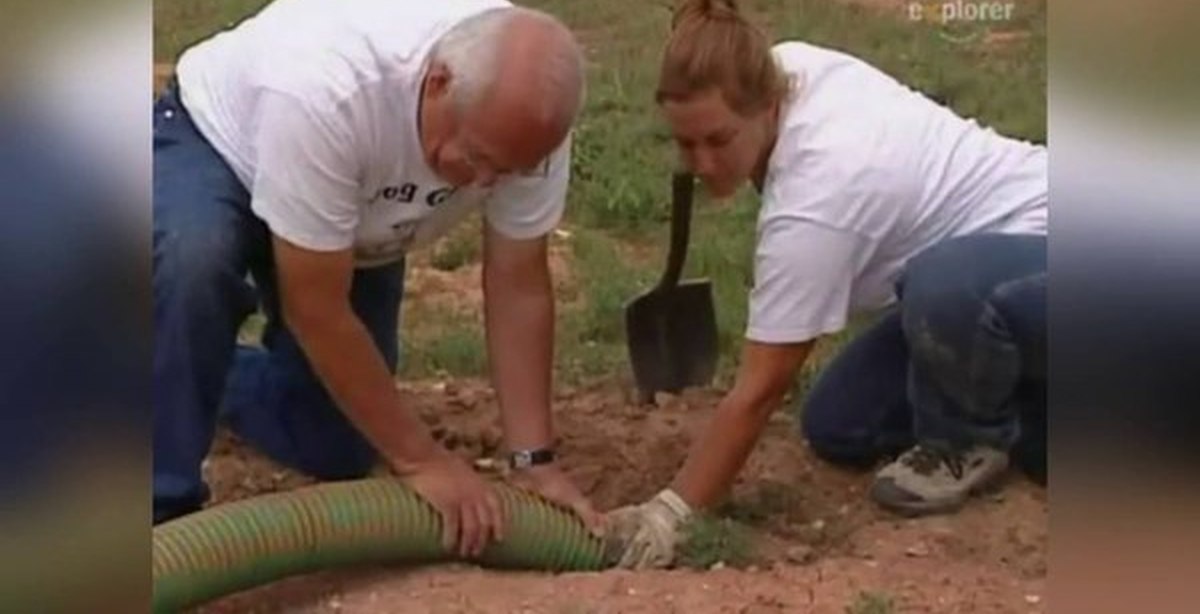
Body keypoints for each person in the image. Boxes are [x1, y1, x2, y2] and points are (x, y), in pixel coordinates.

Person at [604, 0, 1047, 569]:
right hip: (993, 291)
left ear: (767, 105)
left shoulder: (820, 191)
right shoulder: (781, 68)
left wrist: (670, 513)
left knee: (944, 283)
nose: (702, 164)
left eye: (718, 140)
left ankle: (971, 439)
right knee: (841, 423)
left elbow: (761, 389)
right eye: (686, 144)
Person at [153, 0, 601, 558]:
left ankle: (165, 363)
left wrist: (533, 459)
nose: (488, 182)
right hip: (224, 145)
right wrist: (423, 460)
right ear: (438, 83)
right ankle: (157, 513)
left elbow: (519, 283)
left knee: (335, 443)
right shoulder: (329, 91)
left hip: (355, 215)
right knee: (195, 261)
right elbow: (315, 308)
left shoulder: (527, 124)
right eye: (479, 157)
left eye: (508, 170)